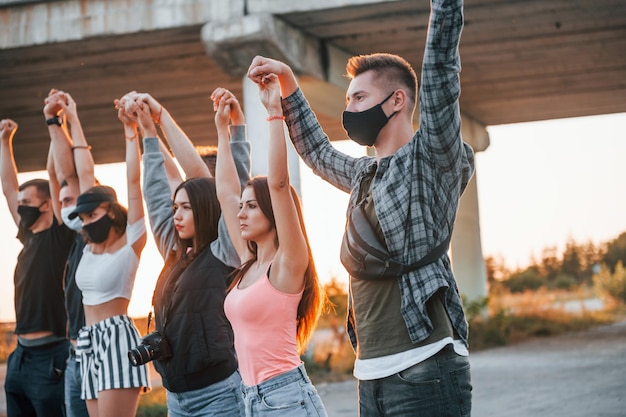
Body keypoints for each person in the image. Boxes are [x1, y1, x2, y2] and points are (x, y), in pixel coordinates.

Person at [246, 0, 474, 415]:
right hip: (370, 373)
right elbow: (316, 151)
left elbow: (442, 74)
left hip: (426, 366)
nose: (348, 109)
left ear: (397, 101)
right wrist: (287, 86)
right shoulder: (364, 175)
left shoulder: (431, 159)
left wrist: (444, 7)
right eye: (348, 99)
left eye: (359, 97)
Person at [119, 90, 249, 417]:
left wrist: (237, 132)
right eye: (175, 207)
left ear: (206, 209)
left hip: (221, 395)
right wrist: (147, 132)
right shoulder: (174, 251)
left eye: (186, 208)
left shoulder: (227, 250)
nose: (175, 215)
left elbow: (234, 189)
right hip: (175, 398)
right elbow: (154, 192)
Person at [215, 79, 328, 417]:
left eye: (252, 206)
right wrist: (224, 131)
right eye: (243, 206)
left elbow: (279, 184)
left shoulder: (287, 265)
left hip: (286, 396)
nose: (241, 213)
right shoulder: (248, 263)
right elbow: (225, 192)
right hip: (250, 397)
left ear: (273, 212)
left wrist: (274, 113)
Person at [70, 101, 150, 417]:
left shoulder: (132, 243)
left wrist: (130, 131)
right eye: (83, 217)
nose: (87, 222)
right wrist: (70, 118)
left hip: (116, 336)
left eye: (93, 214)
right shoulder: (88, 245)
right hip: (87, 341)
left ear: (112, 211)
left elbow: (133, 184)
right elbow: (80, 172)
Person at [1, 117, 75, 417]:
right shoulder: (28, 235)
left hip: (52, 354)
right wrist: (4, 143)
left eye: (27, 201)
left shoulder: (60, 234)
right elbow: (8, 188)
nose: (21, 206)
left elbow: (55, 172)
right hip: (20, 354)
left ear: (47, 204)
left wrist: (57, 123)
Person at [44, 88, 95, 417]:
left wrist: (70, 118)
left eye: (70, 202)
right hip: (73, 355)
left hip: (95, 353)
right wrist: (52, 121)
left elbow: (79, 175)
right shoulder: (68, 237)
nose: (64, 208)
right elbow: (58, 175)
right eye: (61, 203)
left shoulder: (95, 232)